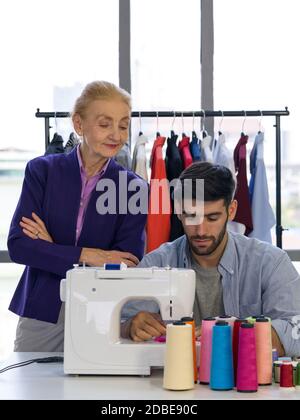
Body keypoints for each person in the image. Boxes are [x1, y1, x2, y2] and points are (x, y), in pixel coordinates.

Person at [8, 81, 147, 352]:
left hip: (100, 313)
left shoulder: (133, 188)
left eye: (123, 124)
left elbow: (126, 263)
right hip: (43, 311)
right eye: (105, 124)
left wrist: (51, 249)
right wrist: (90, 255)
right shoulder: (42, 172)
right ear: (79, 125)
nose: (116, 135)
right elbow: (19, 246)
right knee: (33, 391)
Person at [121, 162, 300, 357]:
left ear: (231, 211)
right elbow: (119, 324)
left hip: (252, 387)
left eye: (212, 218)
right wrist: (130, 326)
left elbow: (295, 332)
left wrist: (238, 334)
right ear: (179, 211)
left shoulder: (270, 263)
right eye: (191, 216)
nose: (201, 230)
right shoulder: (155, 264)